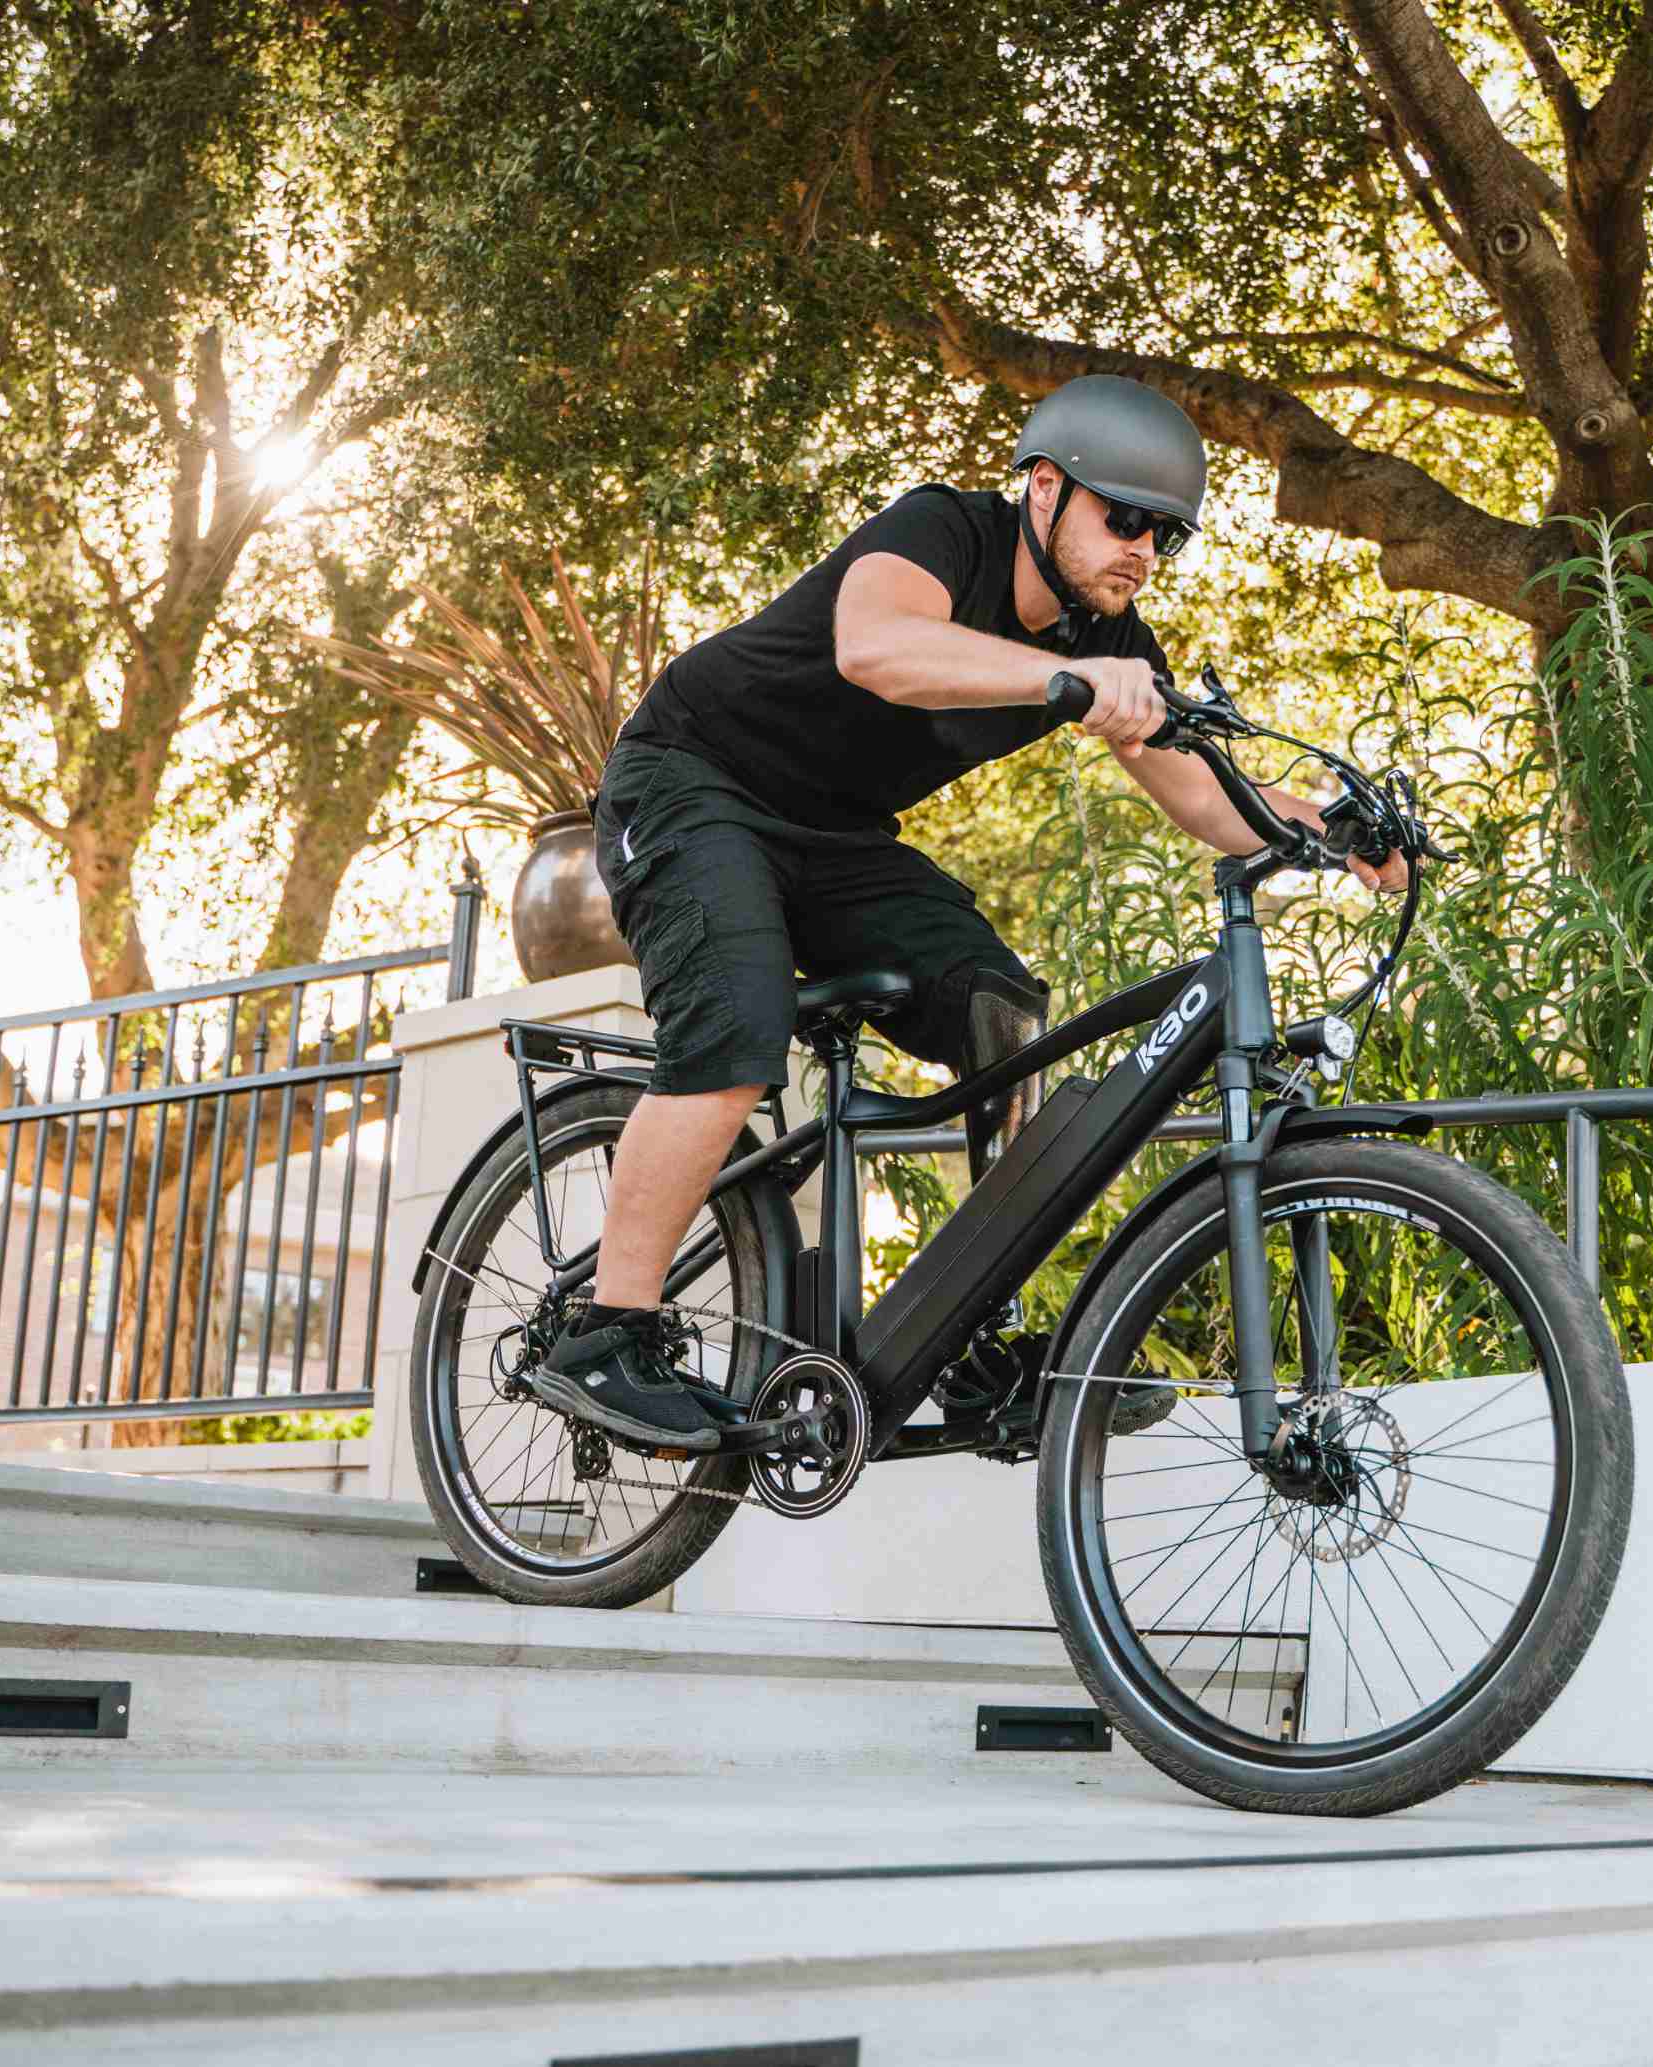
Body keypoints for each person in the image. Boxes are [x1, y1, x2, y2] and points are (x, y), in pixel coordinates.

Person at [533, 375, 1408, 1449]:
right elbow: (878, 646)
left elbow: (1208, 801)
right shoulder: (944, 526)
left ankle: (976, 1341)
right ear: (1044, 491)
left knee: (1003, 1017)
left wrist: (1338, 833)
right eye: (1121, 517)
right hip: (691, 782)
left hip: (838, 838)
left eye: (1164, 536)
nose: (1141, 550)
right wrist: (1068, 681)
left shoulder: (1115, 641)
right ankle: (604, 1330)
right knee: (734, 1028)